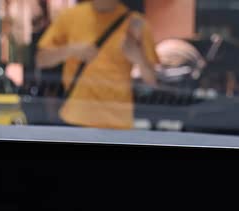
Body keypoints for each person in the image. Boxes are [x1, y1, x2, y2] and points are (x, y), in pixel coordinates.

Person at [35, 0, 158, 129]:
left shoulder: (135, 23)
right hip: (76, 118)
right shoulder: (71, 16)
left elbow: (152, 81)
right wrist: (70, 50)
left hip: (117, 123)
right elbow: (41, 60)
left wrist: (138, 57)